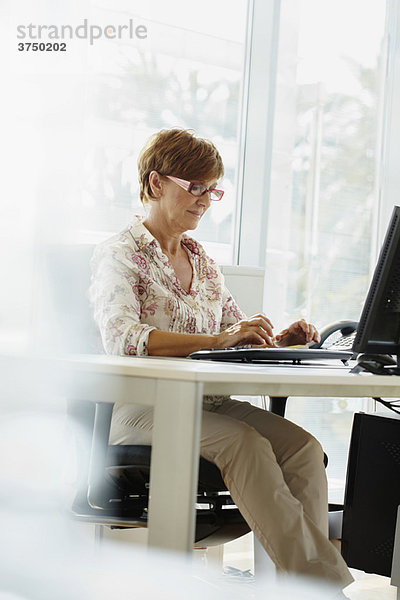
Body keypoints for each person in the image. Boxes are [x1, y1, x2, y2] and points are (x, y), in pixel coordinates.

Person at [90, 128, 353, 594]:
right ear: (155, 184)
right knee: (245, 444)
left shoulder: (203, 262)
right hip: (146, 409)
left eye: (212, 189)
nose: (207, 199)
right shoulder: (120, 253)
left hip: (212, 403)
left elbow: (234, 335)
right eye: (195, 187)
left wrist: (279, 341)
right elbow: (124, 338)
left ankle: (304, 584)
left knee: (304, 448)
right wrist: (219, 335)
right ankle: (319, 588)